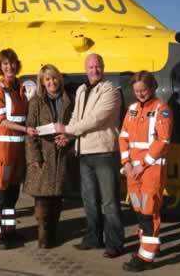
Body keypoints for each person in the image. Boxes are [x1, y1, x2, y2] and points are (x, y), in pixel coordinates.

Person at [54, 53, 124, 258]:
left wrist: (68, 128)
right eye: (91, 67)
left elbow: (96, 119)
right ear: (86, 69)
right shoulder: (82, 90)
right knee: (89, 200)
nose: (95, 70)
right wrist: (67, 136)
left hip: (104, 152)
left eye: (98, 66)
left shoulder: (111, 90)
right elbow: (78, 117)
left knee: (110, 202)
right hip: (84, 152)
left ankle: (115, 243)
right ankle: (94, 238)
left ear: (103, 67)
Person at [119, 71, 173, 272]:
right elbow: (123, 137)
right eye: (136, 90)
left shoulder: (162, 109)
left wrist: (143, 164)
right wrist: (126, 163)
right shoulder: (132, 109)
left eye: (143, 89)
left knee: (149, 212)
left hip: (151, 169)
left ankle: (146, 257)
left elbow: (163, 141)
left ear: (152, 88)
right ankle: (148, 246)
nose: (140, 93)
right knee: (139, 210)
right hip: (133, 170)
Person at [0, 48, 38, 250]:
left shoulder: (22, 87)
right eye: (5, 64)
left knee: (13, 190)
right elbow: (1, 120)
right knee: (0, 188)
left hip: (18, 148)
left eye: (12, 63)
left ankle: (8, 229)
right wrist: (25, 129)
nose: (10, 67)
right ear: (0, 67)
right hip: (4, 148)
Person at [24, 64, 74, 248]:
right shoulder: (36, 102)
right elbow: (30, 130)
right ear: (42, 83)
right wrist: (34, 157)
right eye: (47, 79)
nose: (52, 82)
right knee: (42, 199)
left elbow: (75, 125)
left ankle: (53, 233)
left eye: (54, 78)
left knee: (57, 199)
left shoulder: (69, 99)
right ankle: (43, 238)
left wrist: (68, 138)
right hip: (43, 156)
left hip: (61, 155)